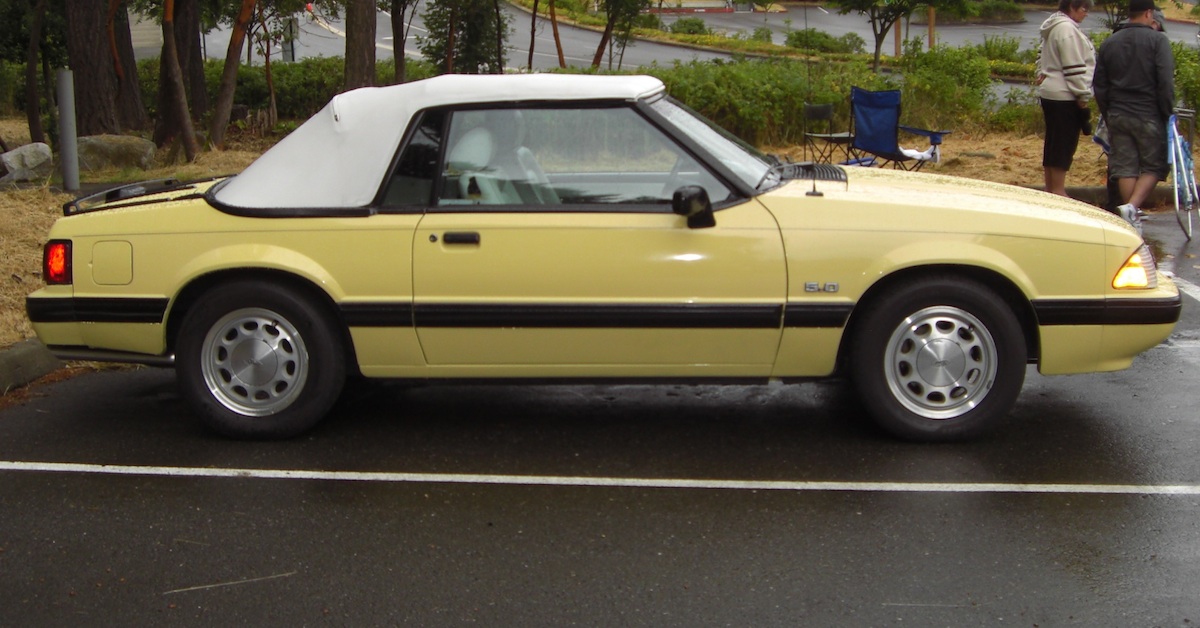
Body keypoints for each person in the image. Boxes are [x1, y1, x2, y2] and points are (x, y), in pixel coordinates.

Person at [1093, 0, 1176, 233]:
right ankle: (1132, 207)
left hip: (1117, 114)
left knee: (1125, 167)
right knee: (1154, 165)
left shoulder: (1111, 41)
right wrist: (1167, 112)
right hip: (1148, 113)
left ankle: (1129, 216)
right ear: (1149, 13)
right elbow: (1165, 82)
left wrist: (1108, 112)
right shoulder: (1158, 41)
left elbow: (1099, 84)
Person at [1037, 0, 1096, 197]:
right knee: (1064, 144)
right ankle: (1058, 190)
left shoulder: (1054, 25)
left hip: (1051, 91)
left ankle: (1051, 188)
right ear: (1072, 7)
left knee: (1054, 141)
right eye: (1083, 9)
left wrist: (1042, 71)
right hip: (1065, 94)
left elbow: (1042, 53)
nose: (1086, 13)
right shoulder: (1067, 30)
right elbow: (1073, 66)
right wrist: (1082, 94)